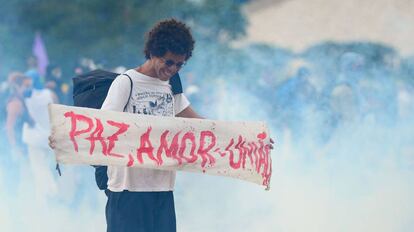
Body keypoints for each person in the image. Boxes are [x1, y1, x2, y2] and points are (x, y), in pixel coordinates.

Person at [101, 18, 201, 232]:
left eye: (179, 64)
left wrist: (249, 139)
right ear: (154, 53)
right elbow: (101, 126)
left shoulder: (172, 86)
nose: (173, 69)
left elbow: (200, 125)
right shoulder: (126, 82)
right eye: (168, 62)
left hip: (162, 189)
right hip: (127, 190)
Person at [5, 72, 33, 159]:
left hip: (21, 143)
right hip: (15, 145)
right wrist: (14, 148)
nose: (29, 89)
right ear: (18, 86)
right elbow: (9, 127)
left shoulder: (21, 100)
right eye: (27, 86)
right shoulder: (15, 103)